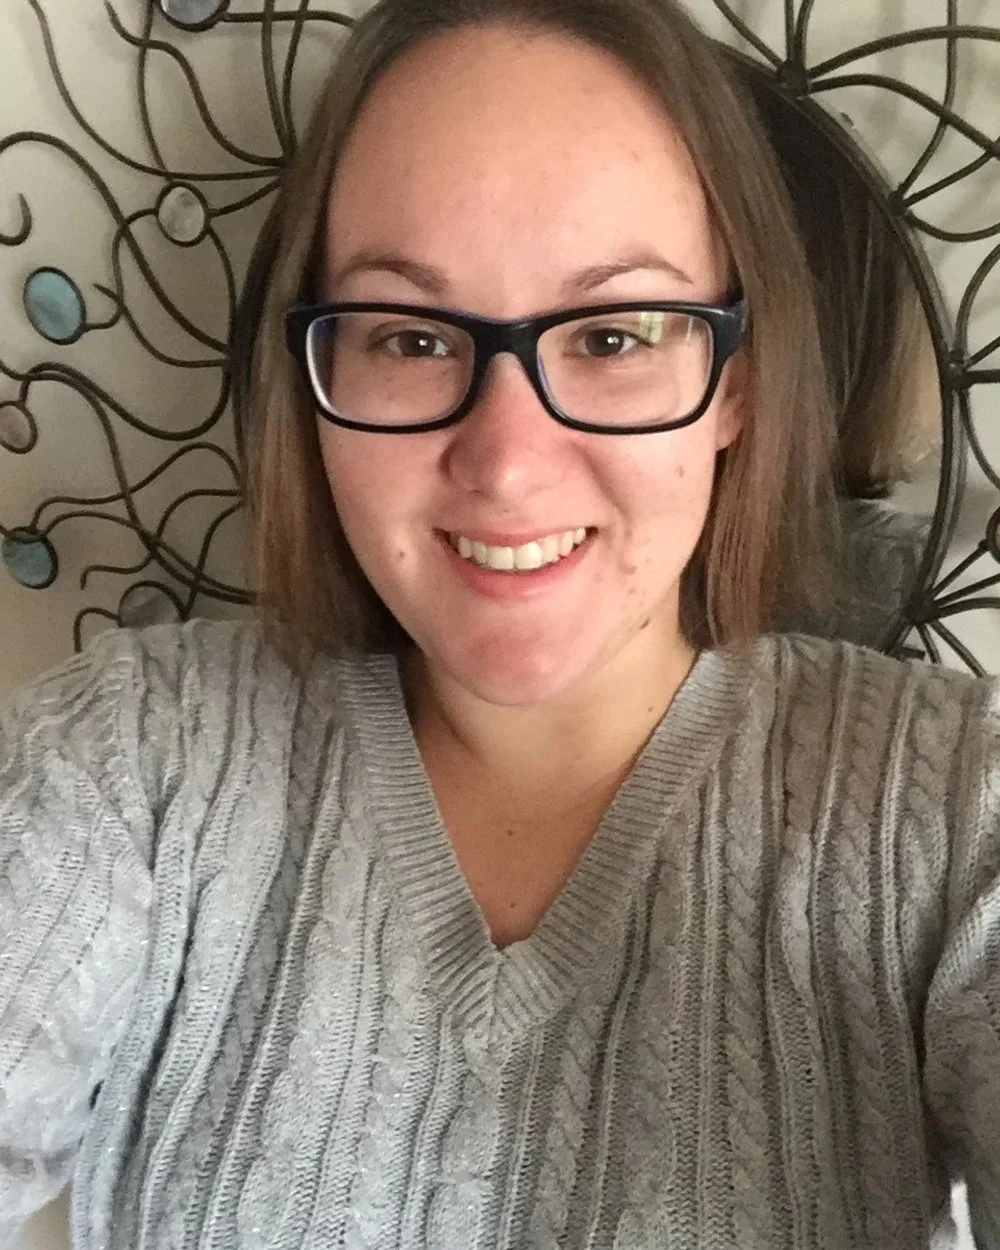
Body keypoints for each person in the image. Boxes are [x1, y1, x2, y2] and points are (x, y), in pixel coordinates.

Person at [1, 1, 998, 1247]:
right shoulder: (130, 758)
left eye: (613, 334)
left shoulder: (957, 805)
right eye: (411, 338)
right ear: (312, 386)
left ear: (734, 385)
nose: (509, 464)